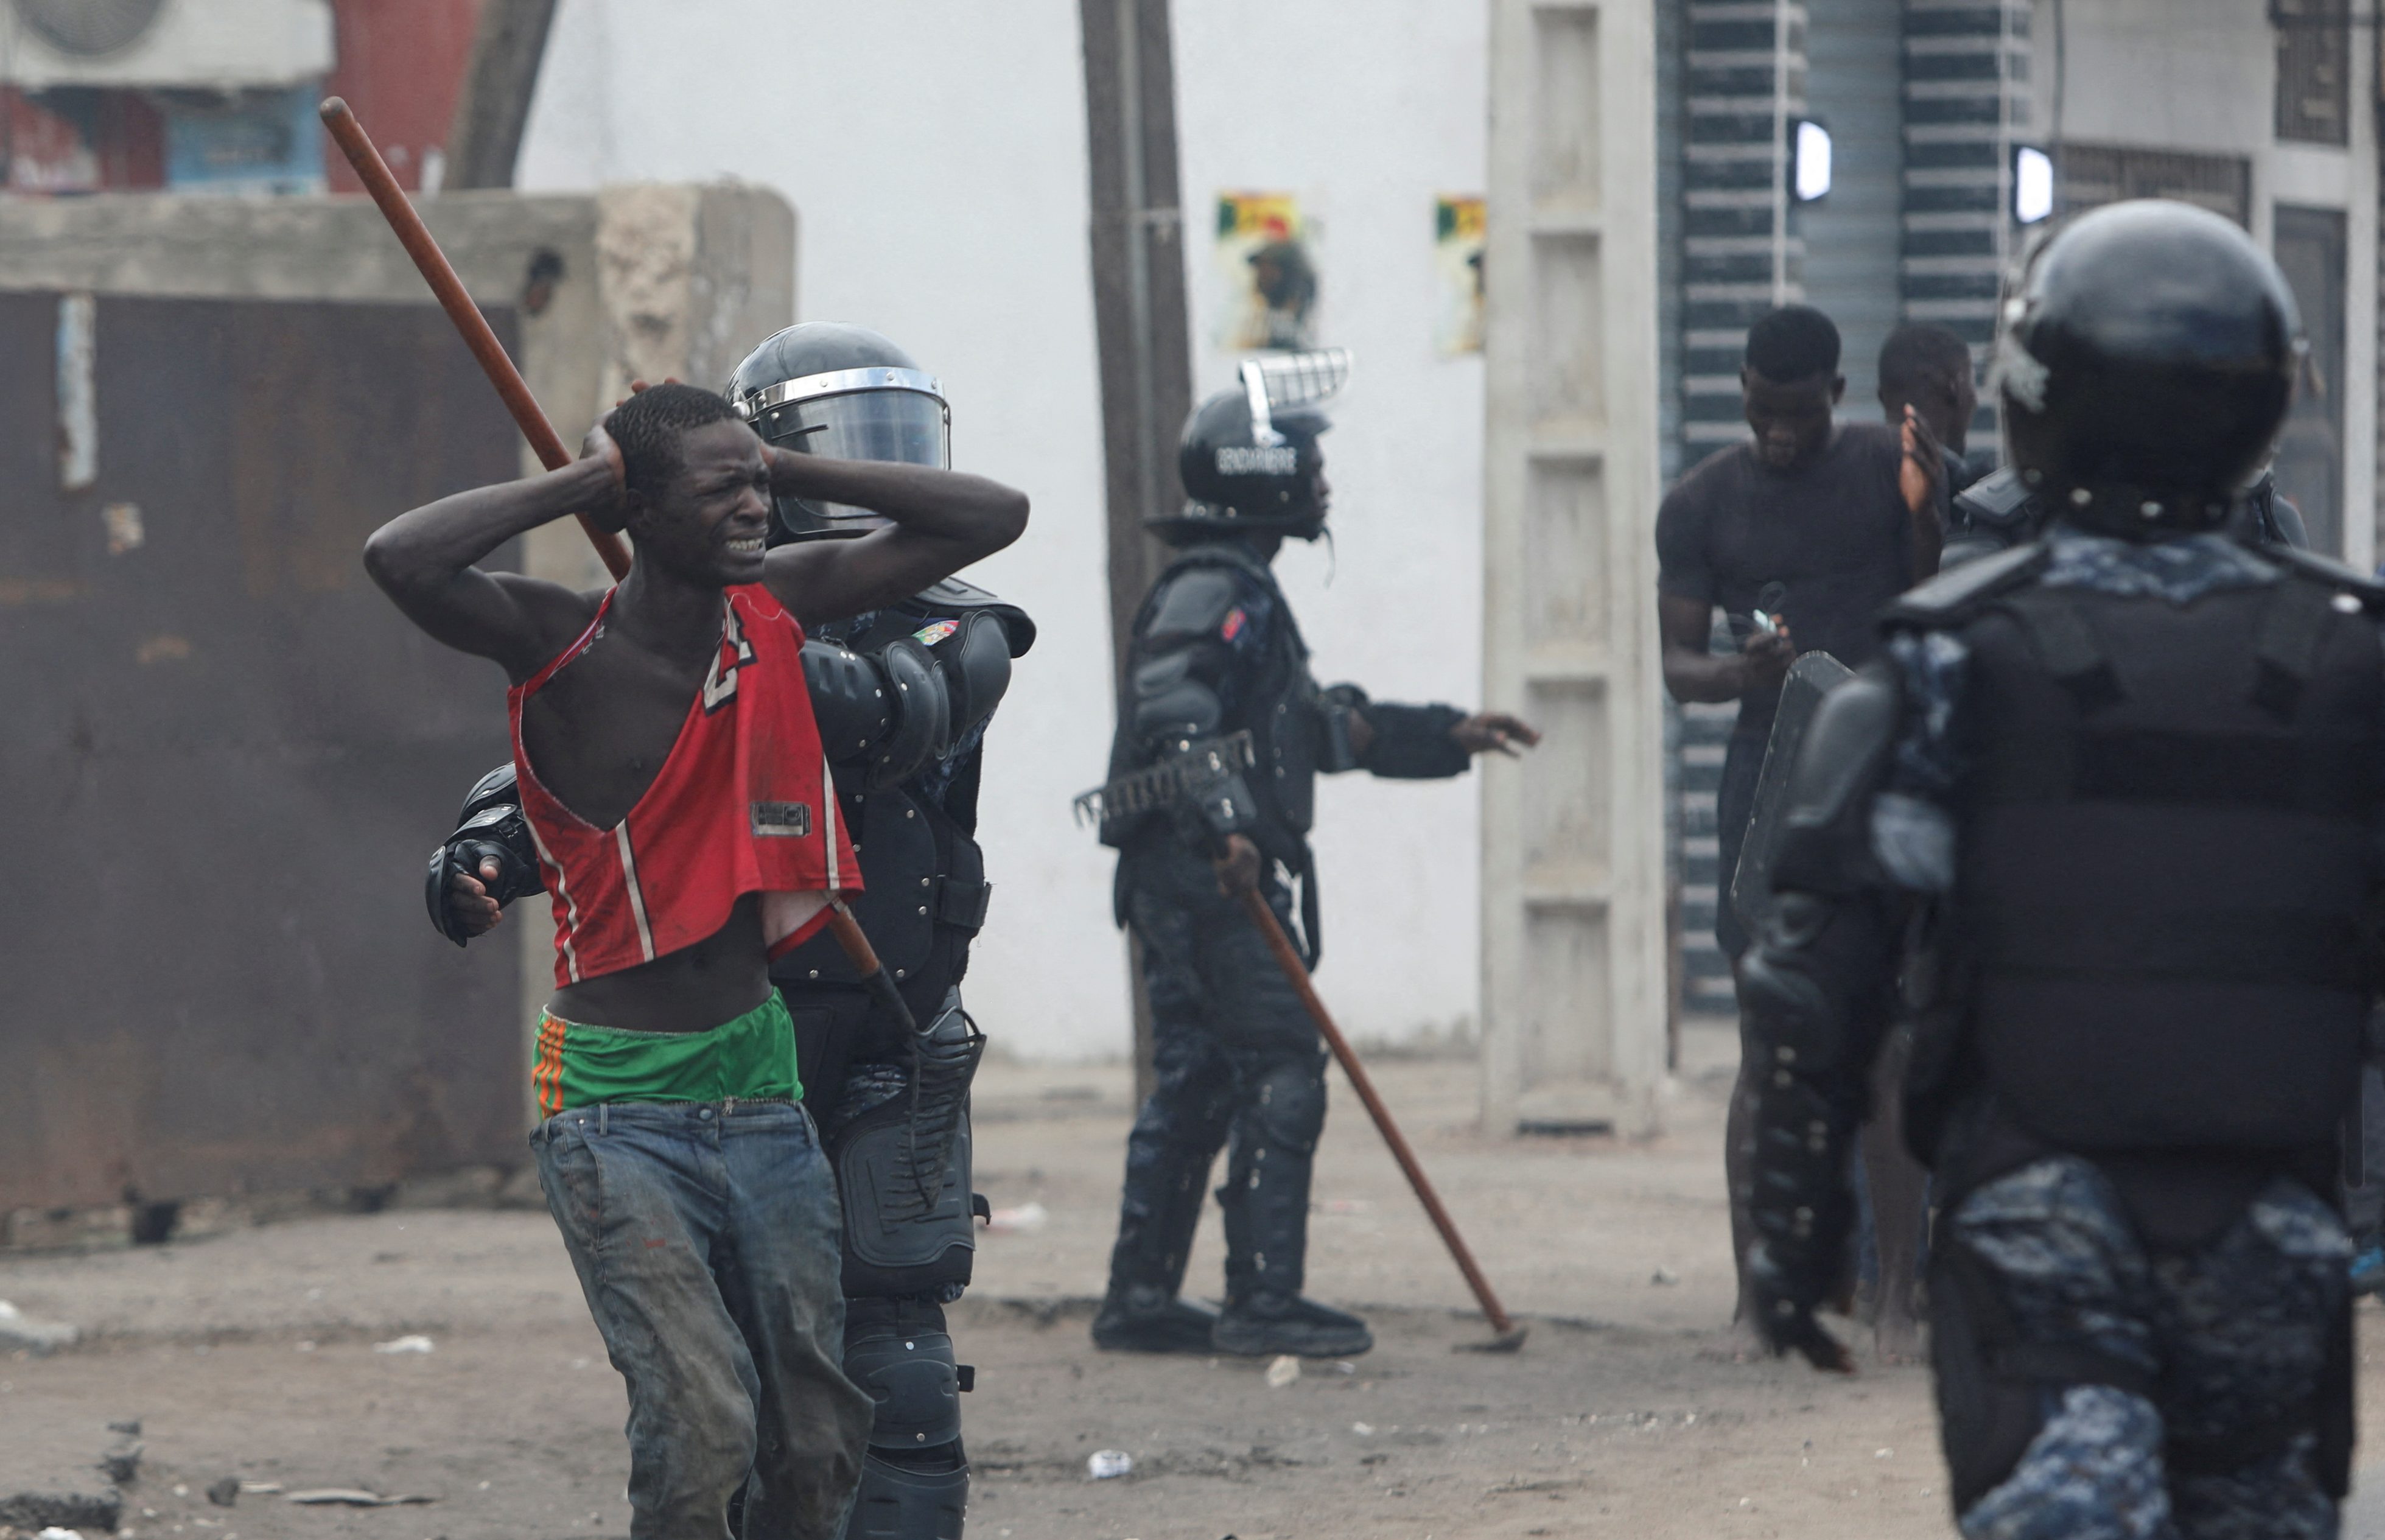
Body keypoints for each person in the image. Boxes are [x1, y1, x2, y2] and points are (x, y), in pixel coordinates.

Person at [1742, 200, 2367, 1536]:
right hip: (2273, 1227)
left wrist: (1797, 1243)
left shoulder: (1947, 669)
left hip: (2040, 1236)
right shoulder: (2350, 670)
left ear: (2034, 401)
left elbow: (1817, 979)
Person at [365, 380, 1027, 1540]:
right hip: (620, 1102)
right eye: (719, 489)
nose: (751, 506)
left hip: (761, 1086)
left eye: (758, 484)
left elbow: (990, 514)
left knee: (818, 1431)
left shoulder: (780, 604)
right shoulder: (559, 638)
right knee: (705, 1417)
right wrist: (590, 481)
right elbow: (400, 558)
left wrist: (783, 468)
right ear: (641, 510)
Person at [1088, 354, 1537, 1359]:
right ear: (1261, 474)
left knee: (1201, 1073)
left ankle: (1141, 1299)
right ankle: (1261, 1301)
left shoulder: (1239, 589)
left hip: (1184, 871)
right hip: (1206, 874)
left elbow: (1311, 731)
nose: (1323, 483)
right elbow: (1177, 718)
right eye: (1309, 464)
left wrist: (1446, 733)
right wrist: (1229, 830)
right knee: (1281, 1064)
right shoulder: (1217, 590)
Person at [1655, 303, 1942, 1337]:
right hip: (1770, 785)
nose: (1775, 432)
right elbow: (1678, 667)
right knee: (1767, 1045)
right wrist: (1743, 671)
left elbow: (1933, 595)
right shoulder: (1700, 505)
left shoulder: (1882, 474)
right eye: (1758, 409)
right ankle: (1756, 1302)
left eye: (1796, 414)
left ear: (1833, 396)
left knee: (1889, 1049)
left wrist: (1925, 500)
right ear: (1740, 388)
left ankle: (1897, 1297)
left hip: (1882, 776)